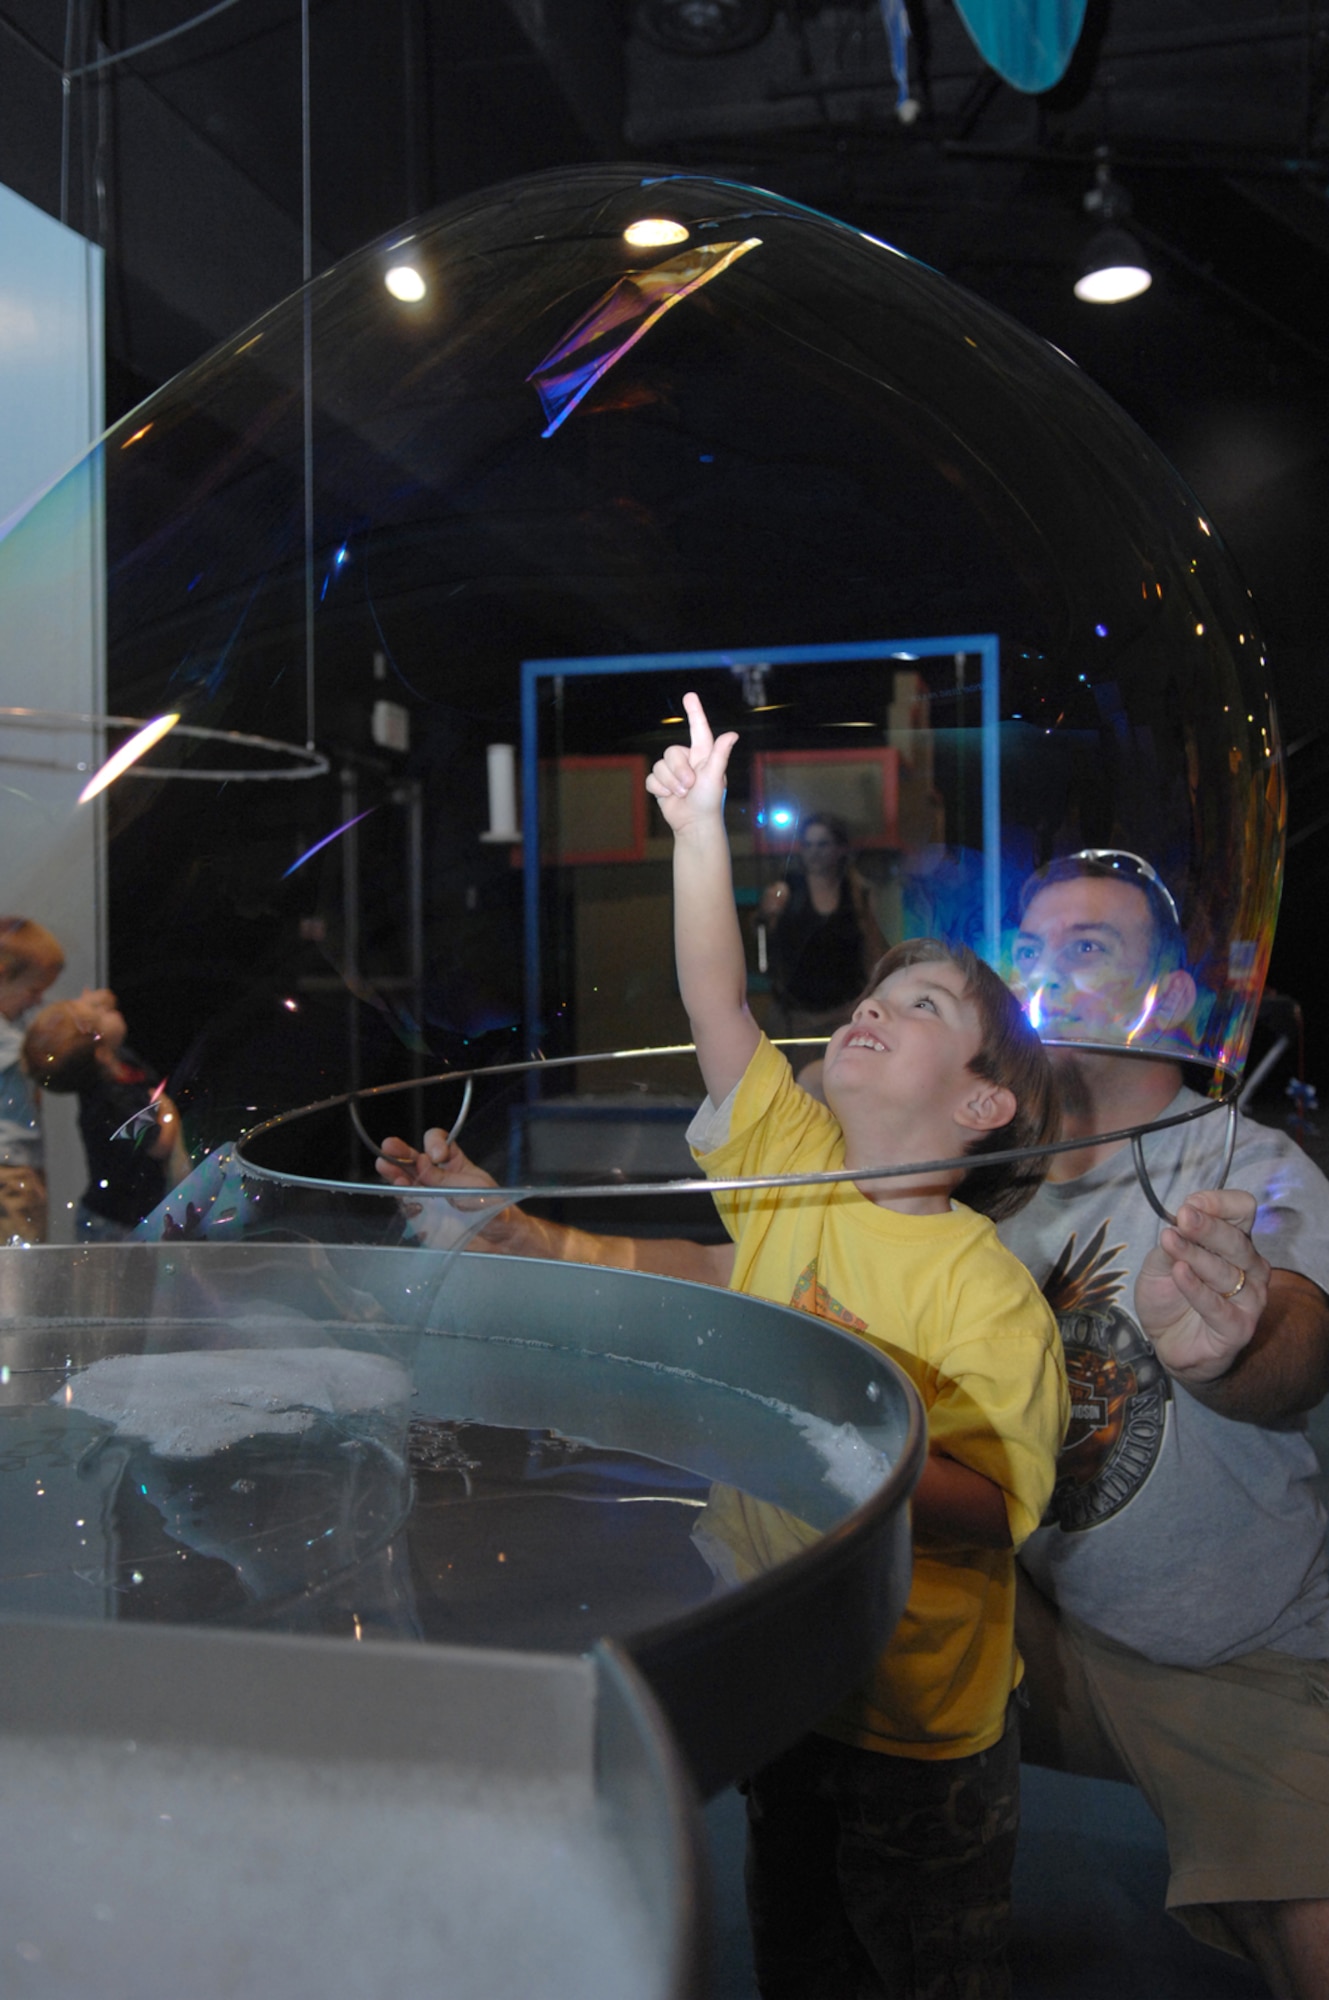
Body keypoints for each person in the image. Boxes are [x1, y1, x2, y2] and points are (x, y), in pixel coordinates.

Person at [381, 844, 1329, 1998]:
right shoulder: (944, 1168)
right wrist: (538, 1239)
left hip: (1210, 1652)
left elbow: (1298, 1345)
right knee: (805, 1910)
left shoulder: (1245, 1164)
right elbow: (762, 1265)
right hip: (974, 1630)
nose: (1042, 970)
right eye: (1028, 949)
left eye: (1090, 947)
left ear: (1170, 997)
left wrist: (1232, 1349)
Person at [23, 987, 190, 1240]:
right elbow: (159, 1144)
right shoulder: (111, 1101)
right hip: (113, 1224)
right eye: (98, 1013)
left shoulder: (120, 1063)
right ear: (100, 1051)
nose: (106, 1008)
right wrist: (166, 1109)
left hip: (129, 1215)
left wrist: (92, 1003)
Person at [758, 811, 889, 1045]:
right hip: (795, 1017)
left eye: (823, 844)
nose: (814, 852)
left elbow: (874, 949)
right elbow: (762, 942)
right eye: (807, 845)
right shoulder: (786, 890)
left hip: (846, 1012)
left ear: (840, 849)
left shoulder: (857, 892)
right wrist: (766, 913)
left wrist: (875, 994)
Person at [0, 916, 65, 1244]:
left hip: (20, 1163)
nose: (38, 999)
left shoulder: (16, 1020)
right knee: (17, 1255)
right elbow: (34, 1056)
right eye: (33, 990)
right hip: (7, 1169)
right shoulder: (8, 1035)